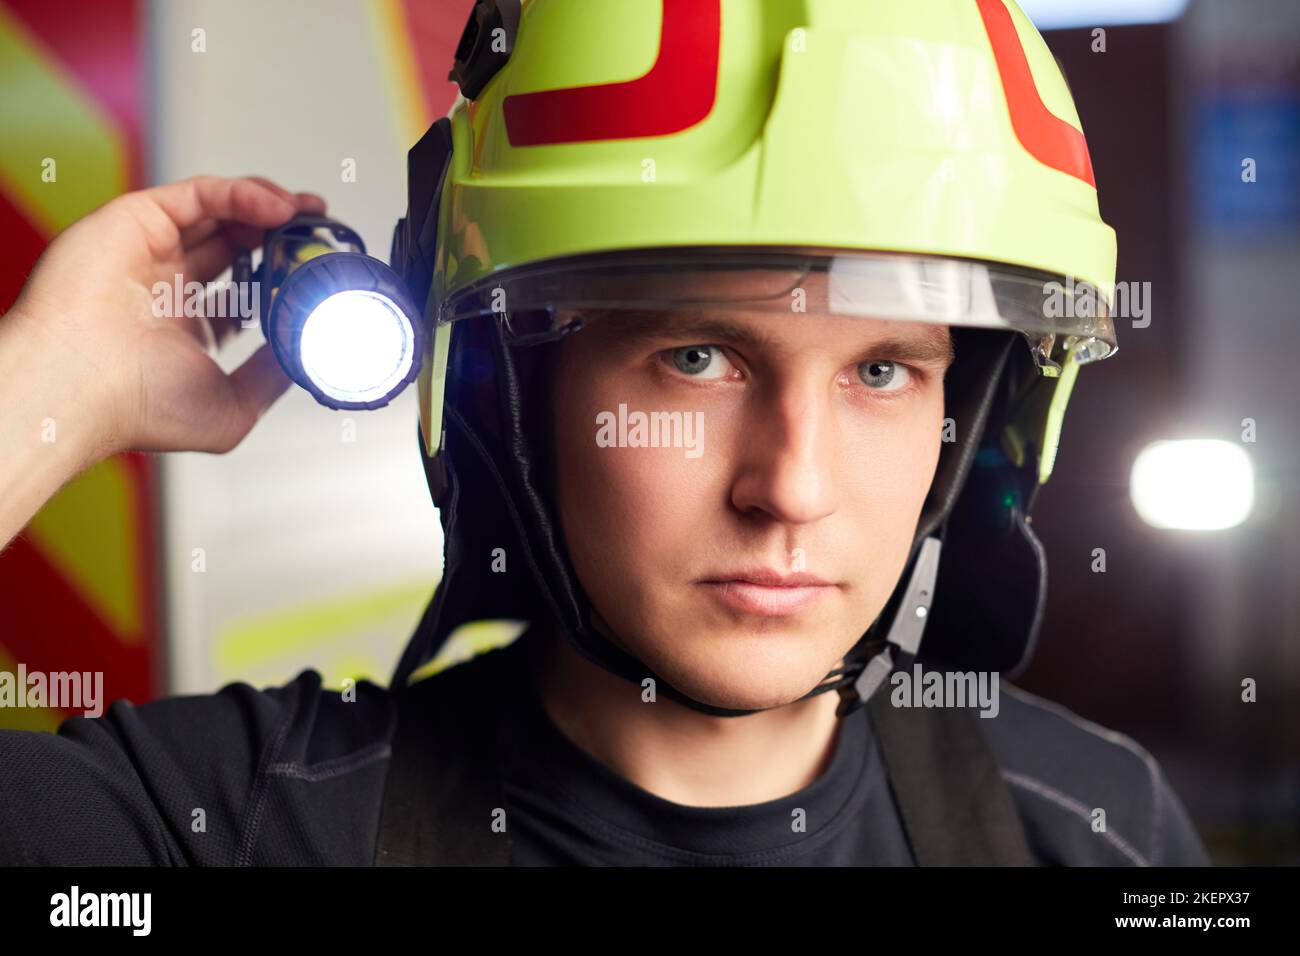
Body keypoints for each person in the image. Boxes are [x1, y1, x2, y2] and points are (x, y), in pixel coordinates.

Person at [0, 0, 1209, 866]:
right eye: (695, 357)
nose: (791, 487)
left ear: (974, 421)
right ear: (505, 393)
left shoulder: (1097, 823)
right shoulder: (240, 820)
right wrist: (51, 386)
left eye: (883, 370)